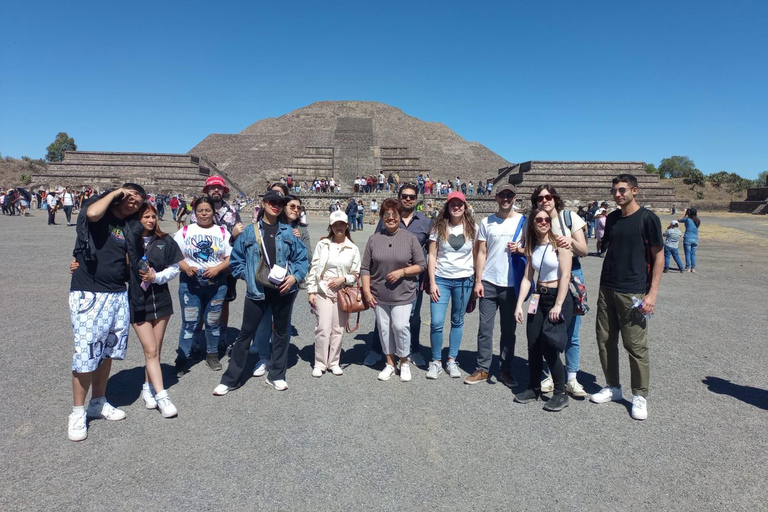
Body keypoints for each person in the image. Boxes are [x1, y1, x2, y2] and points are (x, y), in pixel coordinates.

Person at [67, 184, 147, 442]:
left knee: (106, 351)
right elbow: (91, 214)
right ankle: (77, 412)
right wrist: (115, 192)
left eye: (139, 200)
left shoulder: (130, 228)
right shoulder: (101, 215)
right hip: (90, 293)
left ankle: (98, 402)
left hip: (116, 294)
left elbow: (132, 259)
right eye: (130, 197)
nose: (133, 202)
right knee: (85, 352)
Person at [213, 190, 308, 394]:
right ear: (264, 204)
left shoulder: (290, 232)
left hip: (283, 289)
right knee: (246, 334)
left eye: (279, 203)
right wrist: (248, 276)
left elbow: (302, 260)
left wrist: (295, 277)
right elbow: (236, 259)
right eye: (272, 202)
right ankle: (231, 379)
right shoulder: (249, 232)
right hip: (257, 290)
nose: (276, 205)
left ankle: (276, 375)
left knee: (282, 333)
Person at [591, 174, 663, 421]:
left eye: (622, 190)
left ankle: (640, 395)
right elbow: (607, 248)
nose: (617, 195)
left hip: (633, 290)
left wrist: (651, 294)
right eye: (614, 191)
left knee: (635, 346)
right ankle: (613, 386)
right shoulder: (611, 219)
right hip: (607, 287)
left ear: (634, 190)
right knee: (605, 340)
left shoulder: (648, 218)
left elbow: (659, 257)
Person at [363, 184, 433, 367]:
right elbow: (376, 246)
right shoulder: (389, 217)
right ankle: (378, 350)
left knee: (412, 319)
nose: (408, 199)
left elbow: (431, 251)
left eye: (411, 196)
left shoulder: (425, 222)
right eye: (404, 196)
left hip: (412, 279)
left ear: (416, 200)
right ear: (399, 197)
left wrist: (428, 277)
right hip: (385, 279)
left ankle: (414, 350)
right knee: (383, 319)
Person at [513, 206, 573, 411]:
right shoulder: (533, 246)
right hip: (539, 296)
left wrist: (558, 304)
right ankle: (533, 387)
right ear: (532, 222)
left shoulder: (561, 244)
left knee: (550, 345)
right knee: (533, 343)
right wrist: (519, 304)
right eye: (538, 219)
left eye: (546, 219)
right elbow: (528, 278)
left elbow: (565, 276)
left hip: (558, 298)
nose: (543, 222)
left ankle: (560, 393)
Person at [465, 183, 526, 386]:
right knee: (485, 328)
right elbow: (480, 252)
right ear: (496, 198)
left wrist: (521, 249)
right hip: (489, 282)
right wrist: (478, 280)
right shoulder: (487, 222)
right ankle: (483, 368)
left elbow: (534, 249)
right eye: (502, 195)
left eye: (509, 195)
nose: (506, 198)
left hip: (511, 284)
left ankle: (505, 369)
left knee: (509, 330)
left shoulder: (524, 222)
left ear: (515, 198)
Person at [531, 185, 589, 397]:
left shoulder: (569, 217)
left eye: (548, 197)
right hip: (547, 279)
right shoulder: (537, 220)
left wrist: (570, 241)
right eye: (540, 198)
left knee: (571, 332)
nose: (544, 200)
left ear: (555, 198)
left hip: (572, 276)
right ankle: (551, 375)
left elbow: (584, 250)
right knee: (547, 332)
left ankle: (571, 378)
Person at [250, 192, 312, 376]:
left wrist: (298, 241)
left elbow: (308, 257)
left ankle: (278, 359)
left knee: (282, 325)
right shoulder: (270, 224)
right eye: (292, 206)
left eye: (298, 207)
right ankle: (263, 357)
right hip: (265, 281)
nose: (295, 210)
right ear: (284, 207)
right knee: (263, 321)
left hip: (288, 283)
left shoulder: (302, 230)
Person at [173, 197, 231, 375]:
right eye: (200, 210)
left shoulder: (222, 232)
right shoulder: (184, 232)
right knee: (190, 321)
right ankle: (183, 356)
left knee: (213, 320)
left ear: (213, 212)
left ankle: (212, 354)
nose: (204, 214)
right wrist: (186, 267)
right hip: (190, 282)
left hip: (216, 282)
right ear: (195, 212)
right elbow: (175, 255)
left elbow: (230, 257)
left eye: (207, 210)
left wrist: (217, 269)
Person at [426, 191, 476, 379]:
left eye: (460, 204)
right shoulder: (438, 227)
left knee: (458, 321)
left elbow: (478, 254)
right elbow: (432, 255)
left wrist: (477, 280)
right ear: (447, 206)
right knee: (437, 322)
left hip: (465, 280)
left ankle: (452, 359)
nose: (456, 207)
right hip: (441, 279)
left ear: (465, 206)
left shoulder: (473, 228)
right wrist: (432, 282)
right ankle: (436, 361)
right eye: (452, 204)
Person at [190, 176, 245, 349]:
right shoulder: (198, 211)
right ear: (206, 190)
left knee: (223, 302)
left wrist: (235, 235)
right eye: (212, 188)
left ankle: (221, 336)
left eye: (219, 188)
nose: (216, 190)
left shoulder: (233, 211)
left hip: (225, 267)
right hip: (202, 265)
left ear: (224, 191)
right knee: (199, 301)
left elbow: (240, 240)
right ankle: (196, 339)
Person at [307, 211, 361, 377]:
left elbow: (356, 273)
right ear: (330, 226)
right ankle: (320, 362)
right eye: (336, 224)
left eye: (342, 224)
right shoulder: (323, 244)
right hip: (323, 289)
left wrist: (343, 278)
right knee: (323, 327)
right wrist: (311, 291)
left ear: (347, 225)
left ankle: (334, 361)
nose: (339, 227)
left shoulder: (353, 248)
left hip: (342, 291)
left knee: (338, 328)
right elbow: (314, 268)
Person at [678, 208, 700, 272]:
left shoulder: (688, 219)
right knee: (693, 254)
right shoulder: (698, 220)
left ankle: (687, 267)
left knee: (687, 253)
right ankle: (693, 268)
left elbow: (679, 220)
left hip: (688, 237)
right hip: (695, 238)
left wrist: (685, 214)